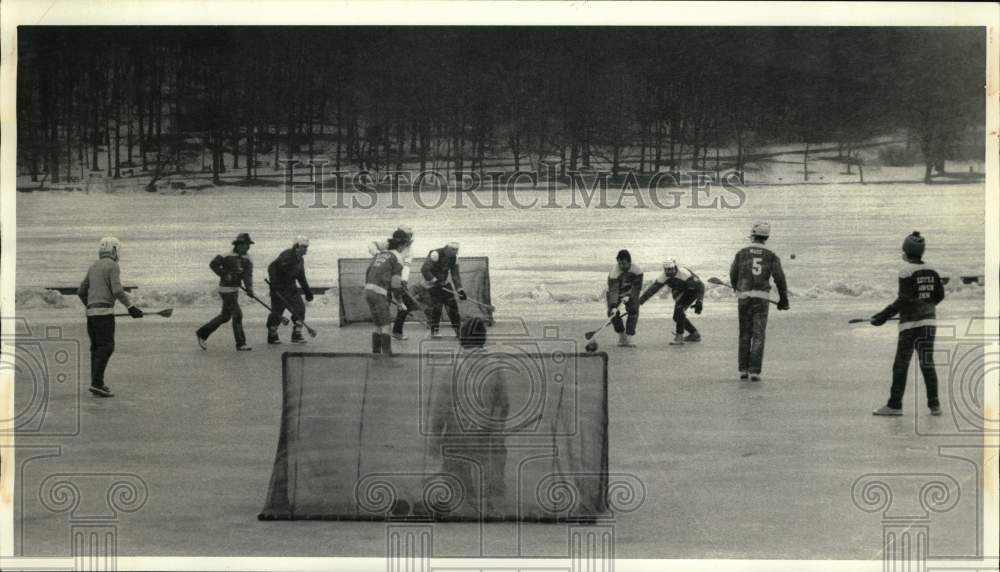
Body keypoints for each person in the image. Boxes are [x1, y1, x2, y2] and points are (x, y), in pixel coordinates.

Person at [425, 316, 508, 518]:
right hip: (483, 433)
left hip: (455, 434)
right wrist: (497, 430)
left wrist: (435, 436)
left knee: (454, 469)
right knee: (488, 468)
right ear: (483, 339)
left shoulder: (450, 367)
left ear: (461, 339)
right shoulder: (494, 367)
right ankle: (486, 505)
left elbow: (440, 407)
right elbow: (504, 404)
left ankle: (458, 501)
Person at [870, 231, 945, 416]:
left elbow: (903, 300)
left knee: (901, 365)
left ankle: (895, 406)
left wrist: (882, 316)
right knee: (927, 363)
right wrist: (926, 307)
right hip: (929, 324)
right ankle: (934, 405)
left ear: (906, 251)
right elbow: (939, 296)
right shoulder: (933, 269)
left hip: (910, 327)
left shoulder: (906, 271)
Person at [77, 237, 144, 397]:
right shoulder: (113, 265)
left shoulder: (93, 266)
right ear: (114, 250)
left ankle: (97, 383)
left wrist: (90, 305)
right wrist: (131, 307)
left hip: (91, 315)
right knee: (107, 347)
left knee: (96, 349)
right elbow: (117, 290)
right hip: (104, 315)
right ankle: (97, 383)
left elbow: (81, 291)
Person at [729, 222, 789, 381]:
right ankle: (754, 371)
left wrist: (737, 288)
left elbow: (733, 273)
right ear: (766, 237)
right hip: (761, 298)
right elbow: (780, 278)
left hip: (744, 297)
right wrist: (784, 299)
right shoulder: (771, 254)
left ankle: (743, 370)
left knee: (744, 334)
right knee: (758, 335)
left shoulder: (742, 252)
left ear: (753, 235)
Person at [196, 233, 255, 351]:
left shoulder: (247, 259)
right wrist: (224, 274)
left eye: (248, 245)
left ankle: (202, 333)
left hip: (234, 290)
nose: (247, 247)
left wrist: (249, 289)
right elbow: (213, 264)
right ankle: (241, 344)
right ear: (238, 245)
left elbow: (247, 276)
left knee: (225, 316)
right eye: (245, 245)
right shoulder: (226, 255)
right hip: (225, 290)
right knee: (238, 315)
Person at [638, 258, 705, 345]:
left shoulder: (684, 274)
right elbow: (653, 289)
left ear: (675, 267)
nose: (668, 272)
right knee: (676, 317)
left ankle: (679, 338)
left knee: (680, 310)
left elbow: (701, 286)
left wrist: (699, 301)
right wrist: (640, 301)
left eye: (670, 269)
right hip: (679, 291)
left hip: (692, 290)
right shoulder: (663, 276)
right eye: (666, 270)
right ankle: (694, 334)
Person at [365, 229, 411, 355]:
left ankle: (376, 352)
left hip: (368, 290)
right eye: (406, 246)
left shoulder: (380, 254)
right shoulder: (397, 258)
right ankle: (387, 353)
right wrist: (400, 301)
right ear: (401, 245)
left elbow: (369, 271)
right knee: (386, 324)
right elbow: (396, 283)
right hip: (379, 292)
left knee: (377, 324)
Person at [266, 235, 313, 344]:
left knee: (300, 309)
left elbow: (301, 277)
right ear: (297, 246)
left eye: (307, 247)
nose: (306, 250)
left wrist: (307, 292)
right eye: (304, 247)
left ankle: (296, 334)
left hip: (291, 288)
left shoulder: (300, 260)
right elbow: (272, 267)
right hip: (279, 288)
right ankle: (272, 334)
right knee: (277, 312)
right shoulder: (287, 256)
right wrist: (274, 285)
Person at [421, 241, 466, 338]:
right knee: (437, 308)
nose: (455, 252)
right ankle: (434, 331)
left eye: (456, 250)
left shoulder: (454, 258)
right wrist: (435, 281)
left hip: (443, 283)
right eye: (453, 250)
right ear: (447, 248)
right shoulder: (435, 254)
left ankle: (458, 331)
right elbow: (425, 270)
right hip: (431, 284)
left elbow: (455, 275)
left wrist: (460, 290)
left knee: (453, 306)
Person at [607, 249, 643, 347]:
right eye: (619, 263)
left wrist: (629, 296)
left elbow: (637, 287)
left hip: (630, 291)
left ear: (629, 262)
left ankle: (629, 338)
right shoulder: (614, 272)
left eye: (623, 263)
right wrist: (614, 306)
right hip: (615, 291)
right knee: (611, 313)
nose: (621, 266)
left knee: (633, 310)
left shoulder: (637, 270)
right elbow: (613, 290)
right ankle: (622, 336)